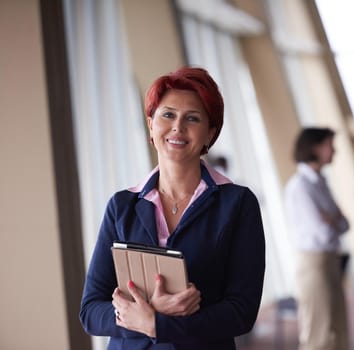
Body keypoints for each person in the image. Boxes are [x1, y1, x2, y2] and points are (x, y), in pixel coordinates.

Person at [79, 66, 266, 349]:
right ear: (151, 125)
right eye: (168, 115)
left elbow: (241, 312)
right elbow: (91, 311)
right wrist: (151, 312)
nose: (178, 126)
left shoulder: (237, 204)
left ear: (209, 134)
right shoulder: (122, 205)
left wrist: (156, 324)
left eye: (192, 118)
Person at [284, 127, 350, 350]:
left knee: (339, 330)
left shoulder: (320, 182)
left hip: (331, 260)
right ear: (315, 148)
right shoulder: (300, 186)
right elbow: (324, 232)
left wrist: (331, 219)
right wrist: (334, 219)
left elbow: (344, 224)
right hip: (313, 264)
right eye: (330, 145)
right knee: (318, 335)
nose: (335, 151)